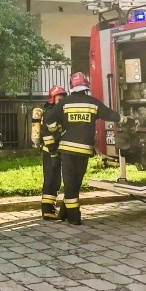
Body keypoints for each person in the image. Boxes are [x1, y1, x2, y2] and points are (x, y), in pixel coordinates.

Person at [43, 72, 120, 225]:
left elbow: (49, 119)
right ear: (86, 86)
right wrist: (125, 119)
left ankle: (68, 214)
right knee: (75, 183)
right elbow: (109, 114)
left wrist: (57, 134)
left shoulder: (65, 103)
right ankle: (73, 217)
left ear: (72, 86)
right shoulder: (93, 102)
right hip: (83, 151)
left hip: (66, 150)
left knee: (70, 183)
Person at [34, 85, 67, 220]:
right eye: (59, 99)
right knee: (51, 180)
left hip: (56, 151)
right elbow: (48, 136)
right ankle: (47, 210)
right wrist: (53, 153)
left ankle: (50, 208)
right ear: (53, 99)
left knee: (55, 180)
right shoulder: (50, 113)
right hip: (50, 152)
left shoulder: (57, 112)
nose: (62, 101)